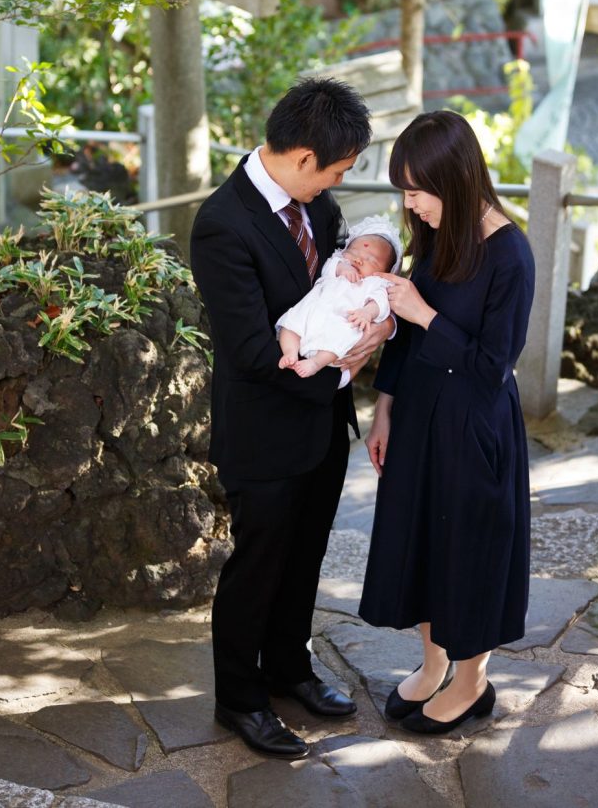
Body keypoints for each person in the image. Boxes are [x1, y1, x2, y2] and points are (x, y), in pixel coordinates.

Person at [190, 77, 396, 760]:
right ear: (304, 156)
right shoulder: (223, 223)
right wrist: (351, 363)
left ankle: (289, 669)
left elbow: (342, 285)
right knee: (257, 566)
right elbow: (251, 352)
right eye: (337, 169)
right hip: (263, 429)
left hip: (320, 422)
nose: (338, 183)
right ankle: (238, 699)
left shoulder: (318, 205)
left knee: (303, 556)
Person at [358, 109, 535, 735]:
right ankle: (434, 664)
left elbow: (492, 368)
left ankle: (471, 679)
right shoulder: (436, 235)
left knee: (469, 550)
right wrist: (384, 409)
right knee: (422, 544)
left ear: (454, 179)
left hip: (473, 427)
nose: (410, 204)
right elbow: (402, 342)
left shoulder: (510, 253)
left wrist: (424, 311)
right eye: (403, 190)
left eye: (416, 190)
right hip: (420, 416)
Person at [276, 215, 402, 378]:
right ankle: (290, 352)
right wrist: (342, 267)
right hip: (311, 311)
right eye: (354, 251)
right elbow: (329, 266)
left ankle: (316, 362)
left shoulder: (375, 283)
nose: (359, 259)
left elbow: (380, 303)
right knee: (290, 323)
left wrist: (367, 312)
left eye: (371, 260)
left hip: (340, 321)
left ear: (384, 272)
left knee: (342, 338)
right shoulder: (338, 265)